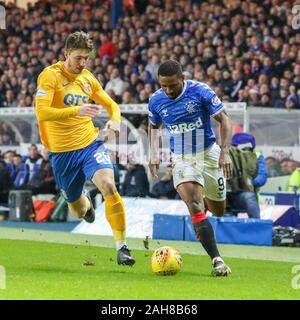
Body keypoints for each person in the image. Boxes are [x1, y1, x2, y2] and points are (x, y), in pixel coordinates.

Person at [35, 31, 134, 266]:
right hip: (62, 154)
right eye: (78, 58)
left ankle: (122, 247)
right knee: (79, 211)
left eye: (86, 58)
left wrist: (115, 120)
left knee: (109, 185)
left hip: (90, 144)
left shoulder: (88, 79)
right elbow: (42, 112)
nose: (83, 63)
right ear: (66, 54)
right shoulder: (50, 76)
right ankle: (85, 201)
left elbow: (112, 105)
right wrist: (75, 111)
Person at [148, 60, 232, 277]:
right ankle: (217, 260)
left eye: (172, 86)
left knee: (218, 210)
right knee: (194, 205)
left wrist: (225, 152)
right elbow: (153, 126)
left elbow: (224, 119)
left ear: (182, 79)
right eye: (163, 86)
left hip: (209, 154)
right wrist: (154, 153)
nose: (168, 90)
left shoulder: (200, 91)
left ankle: (202, 207)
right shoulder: (156, 100)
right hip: (183, 158)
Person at [228, 132, 268, 219]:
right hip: (228, 193)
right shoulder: (228, 155)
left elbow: (262, 177)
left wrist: (248, 182)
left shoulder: (257, 156)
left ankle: (256, 224)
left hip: (245, 194)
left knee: (249, 197)